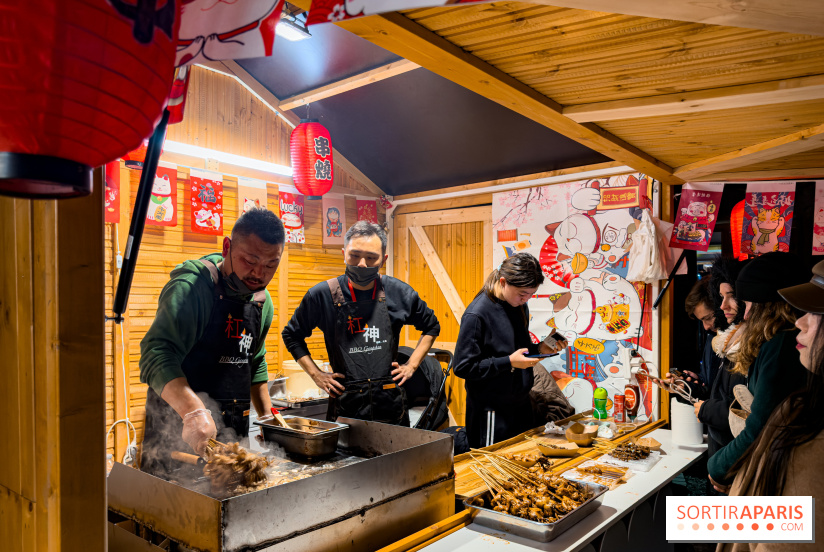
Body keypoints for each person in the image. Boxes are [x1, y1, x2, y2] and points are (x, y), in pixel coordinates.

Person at [139, 208, 285, 473]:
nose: (259, 273)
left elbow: (255, 359)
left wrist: (266, 416)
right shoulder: (192, 288)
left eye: (270, 265)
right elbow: (156, 354)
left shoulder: (262, 301)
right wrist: (193, 412)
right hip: (178, 429)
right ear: (227, 246)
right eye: (249, 260)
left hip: (232, 435)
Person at [282, 221, 440, 426]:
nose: (362, 264)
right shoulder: (322, 295)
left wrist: (411, 365)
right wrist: (317, 375)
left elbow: (432, 325)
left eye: (371, 258)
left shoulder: (398, 292)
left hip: (390, 403)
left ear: (383, 259)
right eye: (354, 256)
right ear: (344, 253)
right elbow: (291, 335)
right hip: (346, 405)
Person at [718, 260, 824, 552]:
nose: (800, 322)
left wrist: (718, 468)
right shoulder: (801, 406)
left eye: (815, 313)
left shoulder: (813, 441)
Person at [707, 252, 809, 492]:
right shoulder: (774, 343)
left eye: (750, 303)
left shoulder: (780, 344)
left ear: (768, 306)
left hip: (779, 474)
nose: (746, 313)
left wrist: (718, 467)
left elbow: (761, 427)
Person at [453, 253, 567, 449]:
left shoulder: (517, 305)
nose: (525, 299)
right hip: (491, 412)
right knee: (490, 468)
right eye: (522, 294)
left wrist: (540, 348)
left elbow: (516, 350)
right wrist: (508, 362)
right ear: (503, 282)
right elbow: (463, 367)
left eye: (531, 294)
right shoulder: (477, 314)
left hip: (520, 404)